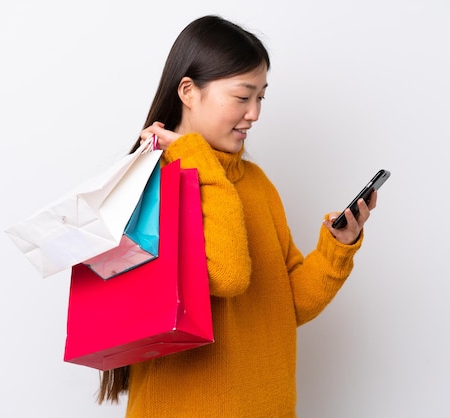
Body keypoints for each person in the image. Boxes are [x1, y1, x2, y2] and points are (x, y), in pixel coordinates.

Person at [98, 15, 377, 417]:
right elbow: (227, 276)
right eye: (243, 96)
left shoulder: (256, 183)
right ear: (189, 92)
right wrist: (199, 161)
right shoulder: (151, 180)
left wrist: (337, 248)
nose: (255, 113)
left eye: (261, 97)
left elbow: (286, 306)